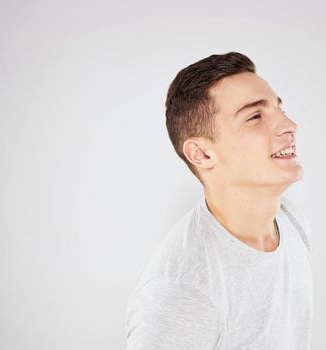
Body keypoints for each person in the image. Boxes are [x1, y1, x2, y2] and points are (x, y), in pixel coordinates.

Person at [125, 52, 313, 349]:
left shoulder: (291, 222)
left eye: (279, 108)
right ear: (201, 154)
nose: (290, 125)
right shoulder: (181, 290)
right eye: (255, 117)